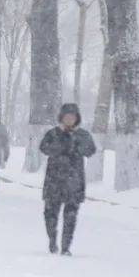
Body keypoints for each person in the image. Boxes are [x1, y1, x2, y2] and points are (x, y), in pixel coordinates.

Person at [40, 103, 96, 256]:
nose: (69, 119)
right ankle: (52, 240)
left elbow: (91, 150)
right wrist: (59, 147)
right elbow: (43, 148)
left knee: (70, 215)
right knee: (50, 213)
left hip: (74, 180)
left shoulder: (82, 135)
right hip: (54, 180)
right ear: (62, 118)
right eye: (67, 117)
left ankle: (65, 246)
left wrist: (75, 146)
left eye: (72, 117)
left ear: (77, 119)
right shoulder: (53, 133)